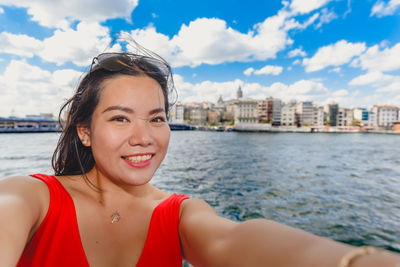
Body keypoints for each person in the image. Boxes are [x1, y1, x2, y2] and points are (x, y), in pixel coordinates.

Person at [0, 43, 399, 267]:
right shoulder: (31, 199)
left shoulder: (181, 215)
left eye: (156, 118)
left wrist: (353, 262)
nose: (144, 137)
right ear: (84, 131)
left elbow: (234, 239)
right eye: (120, 118)